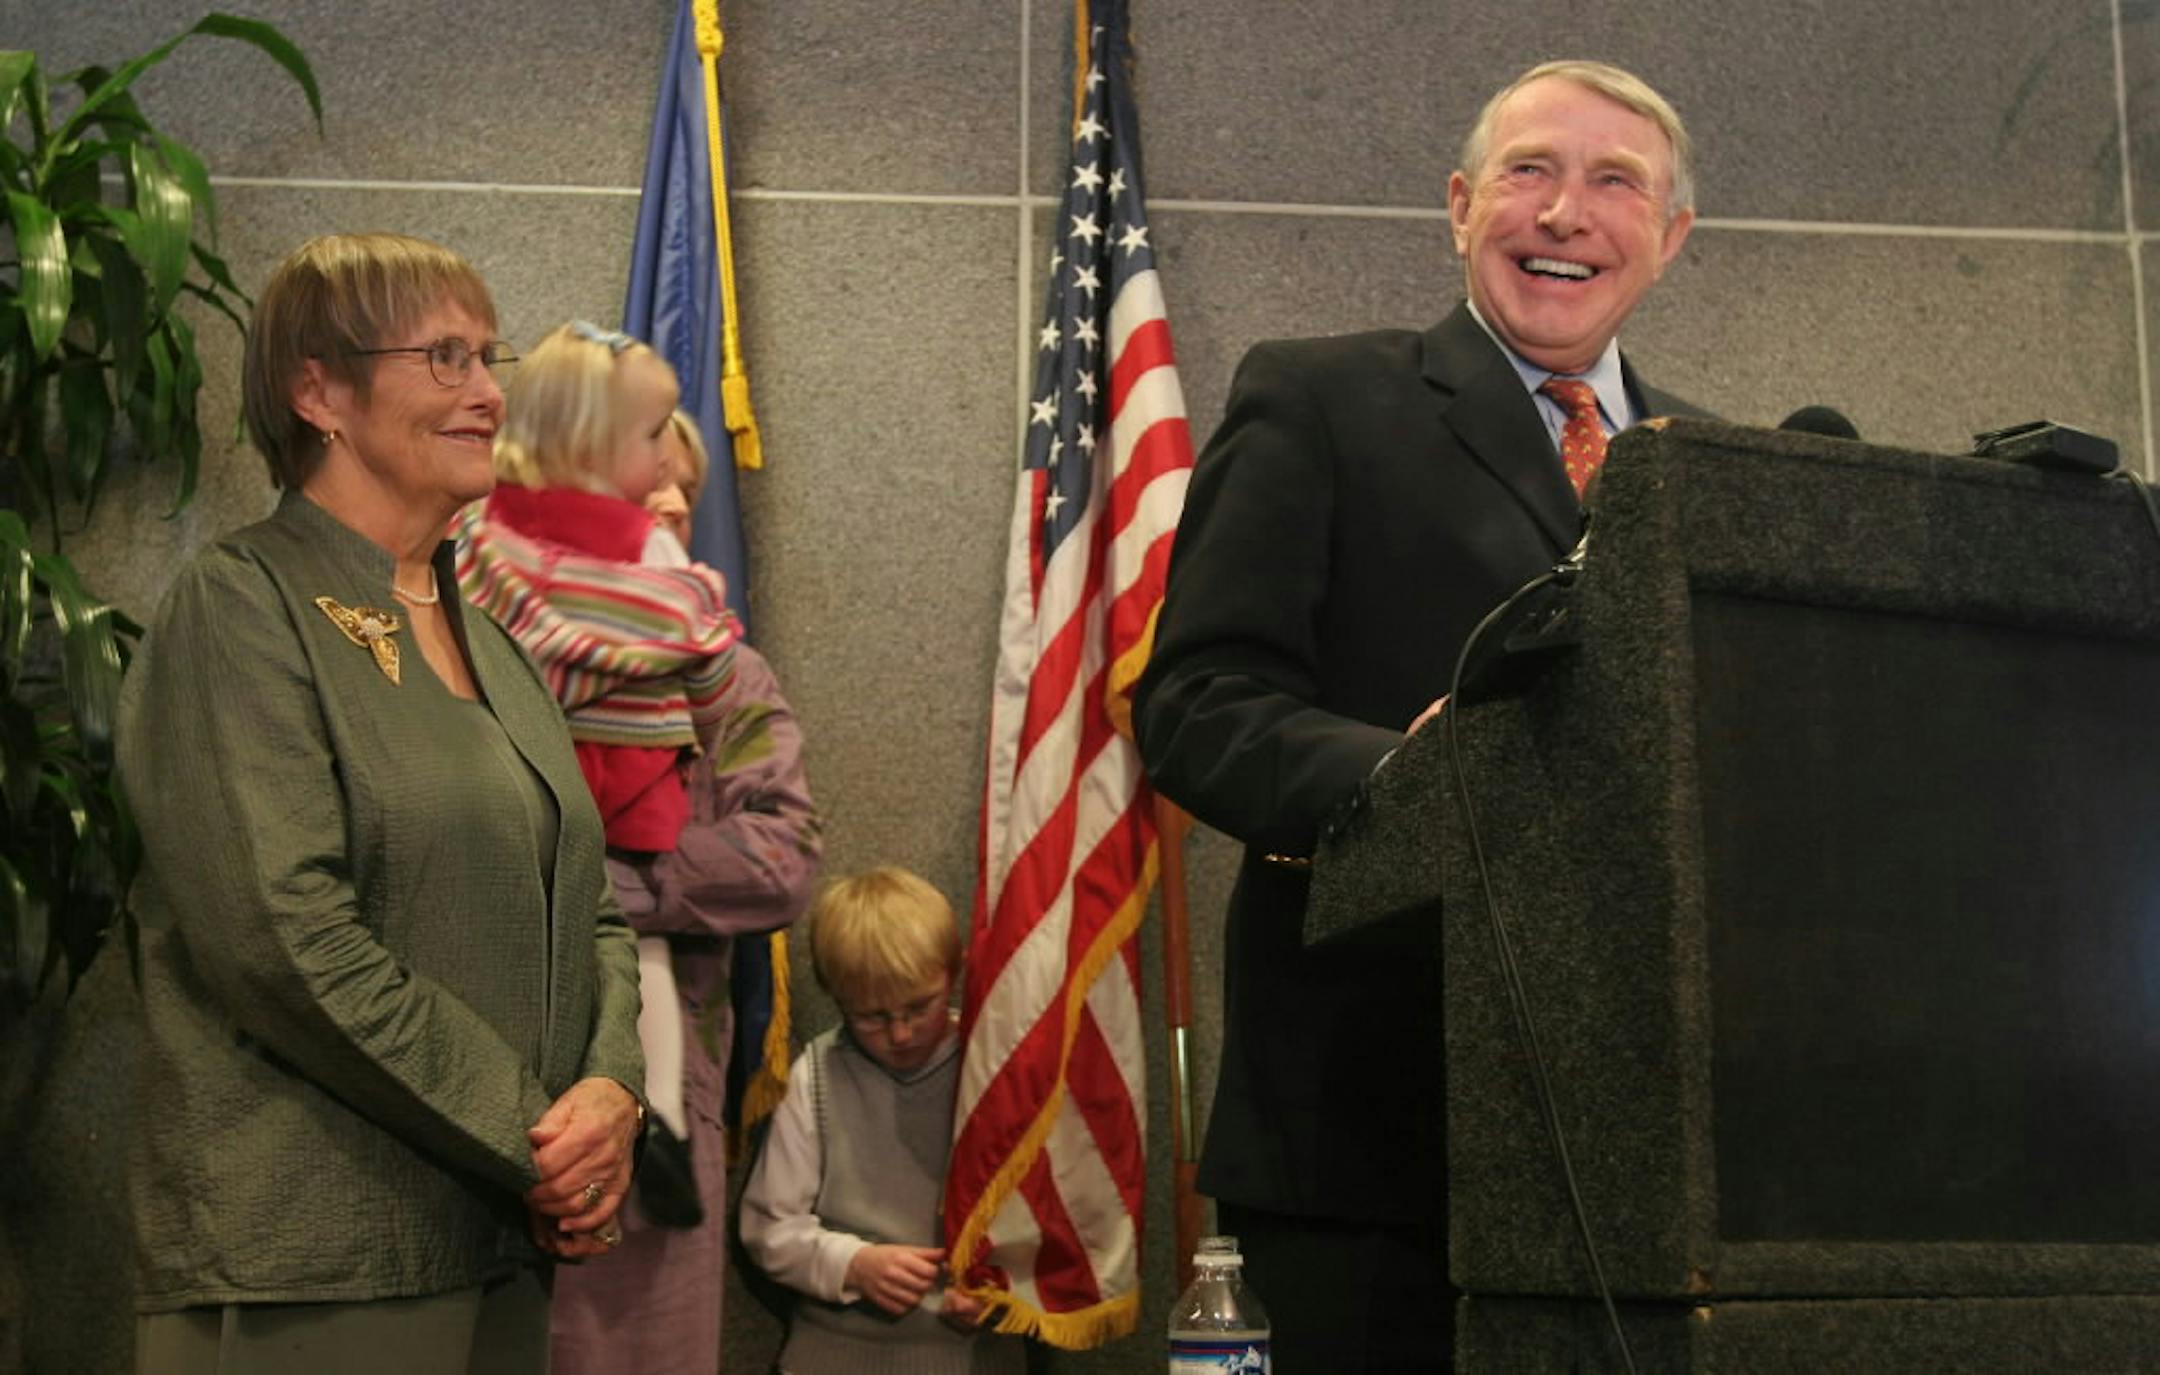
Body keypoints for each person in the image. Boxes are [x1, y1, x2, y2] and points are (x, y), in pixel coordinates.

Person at [1132, 60, 1706, 1370]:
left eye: (1615, 182)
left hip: (1655, 1157)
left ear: (1669, 239)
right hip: (1365, 1140)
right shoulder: (1321, 397)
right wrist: (1412, 774)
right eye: (1530, 172)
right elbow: (1195, 702)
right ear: (1460, 207)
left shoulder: (1719, 472)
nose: (1567, 211)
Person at [117, 232, 646, 1375]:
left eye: (488, 356)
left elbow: (591, 912)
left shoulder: (496, 644)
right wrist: (539, 1137)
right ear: (319, 390)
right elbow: (285, 940)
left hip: (500, 1244)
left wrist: (611, 1093)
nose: (489, 391)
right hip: (312, 1261)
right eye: (445, 356)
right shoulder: (240, 606)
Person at [544, 406, 825, 1375]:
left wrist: (602, 886)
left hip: (664, 1111)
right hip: (499, 1093)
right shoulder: (492, 664)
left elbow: (783, 855)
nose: (670, 501)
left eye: (684, 488)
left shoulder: (725, 680)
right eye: (643, 479)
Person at [739, 868, 1027, 1375]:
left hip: (974, 1357)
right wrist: (852, 1264)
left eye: (919, 1007)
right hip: (833, 1355)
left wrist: (1010, 1289)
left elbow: (1052, 1220)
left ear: (953, 973)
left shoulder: (992, 1071)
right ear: (836, 997)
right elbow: (768, 1227)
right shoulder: (818, 1075)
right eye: (871, 1017)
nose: (900, 1033)